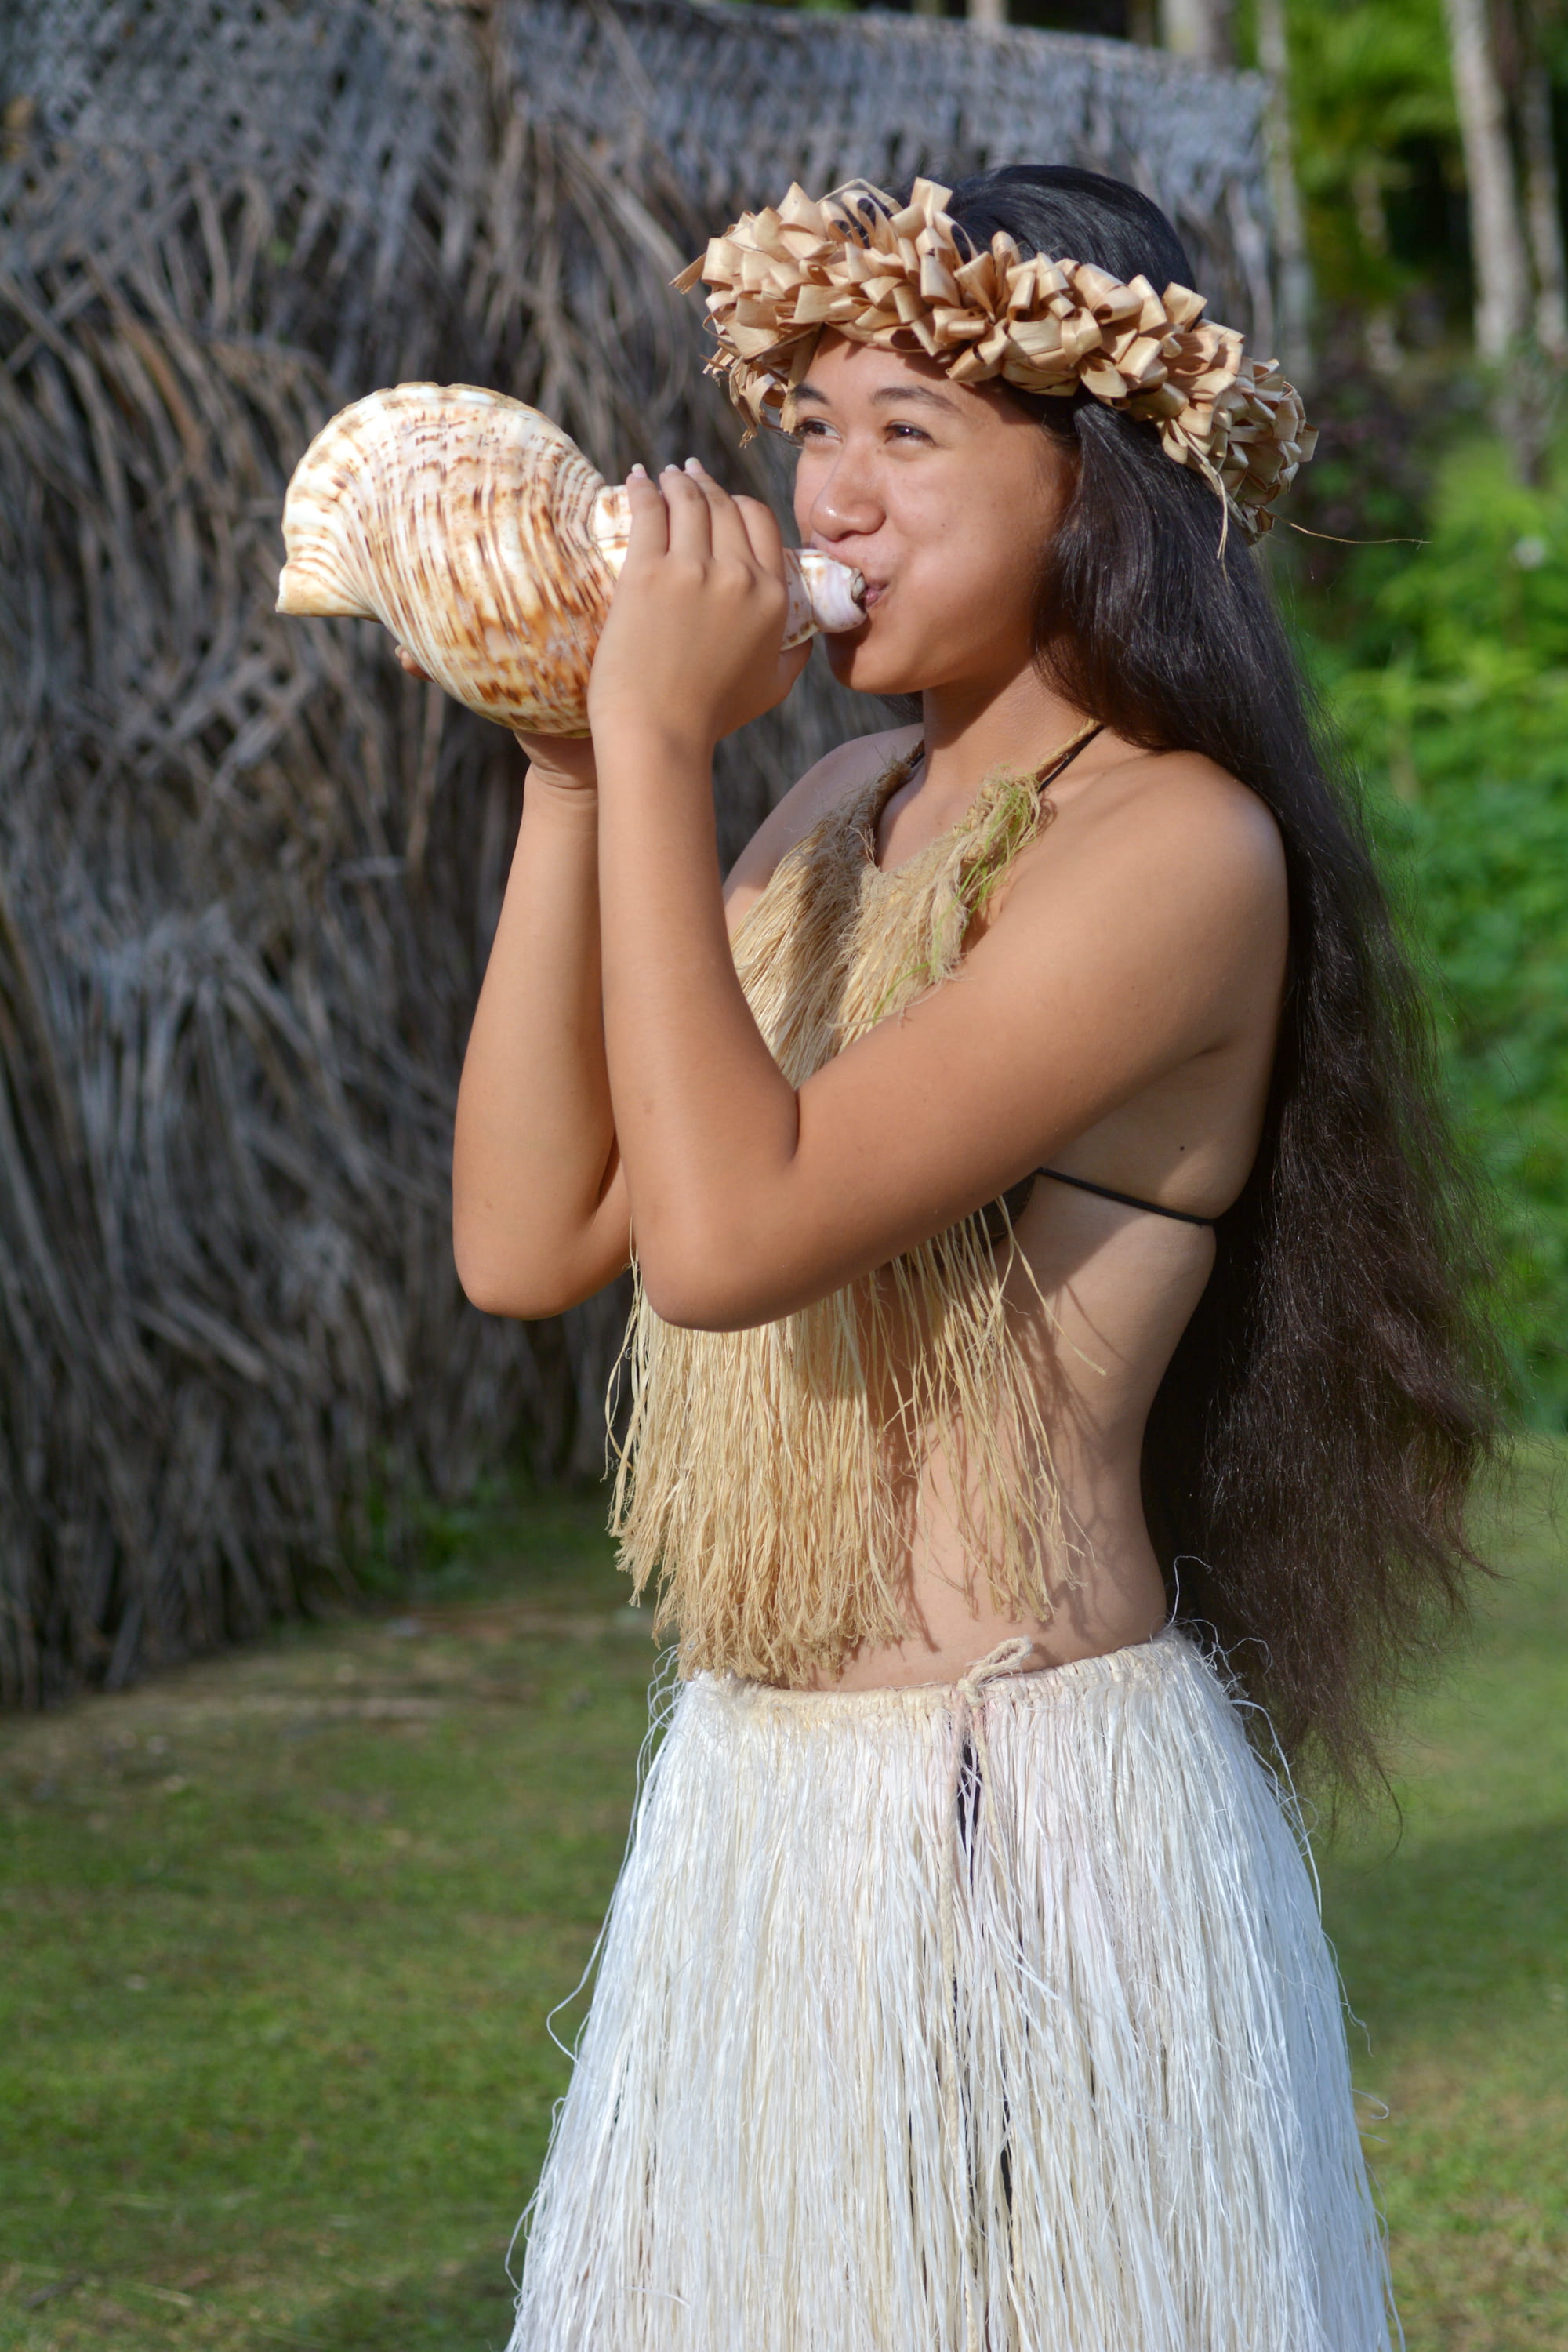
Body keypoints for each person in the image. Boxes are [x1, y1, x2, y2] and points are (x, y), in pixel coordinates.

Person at [449, 166, 1494, 2351]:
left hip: (1012, 1814)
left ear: (1096, 492)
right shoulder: (838, 812)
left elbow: (730, 1237)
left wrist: (657, 740)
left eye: (912, 433)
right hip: (759, 1803)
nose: (835, 488)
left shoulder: (1176, 848)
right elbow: (532, 1234)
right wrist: (572, 755)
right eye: (813, 424)